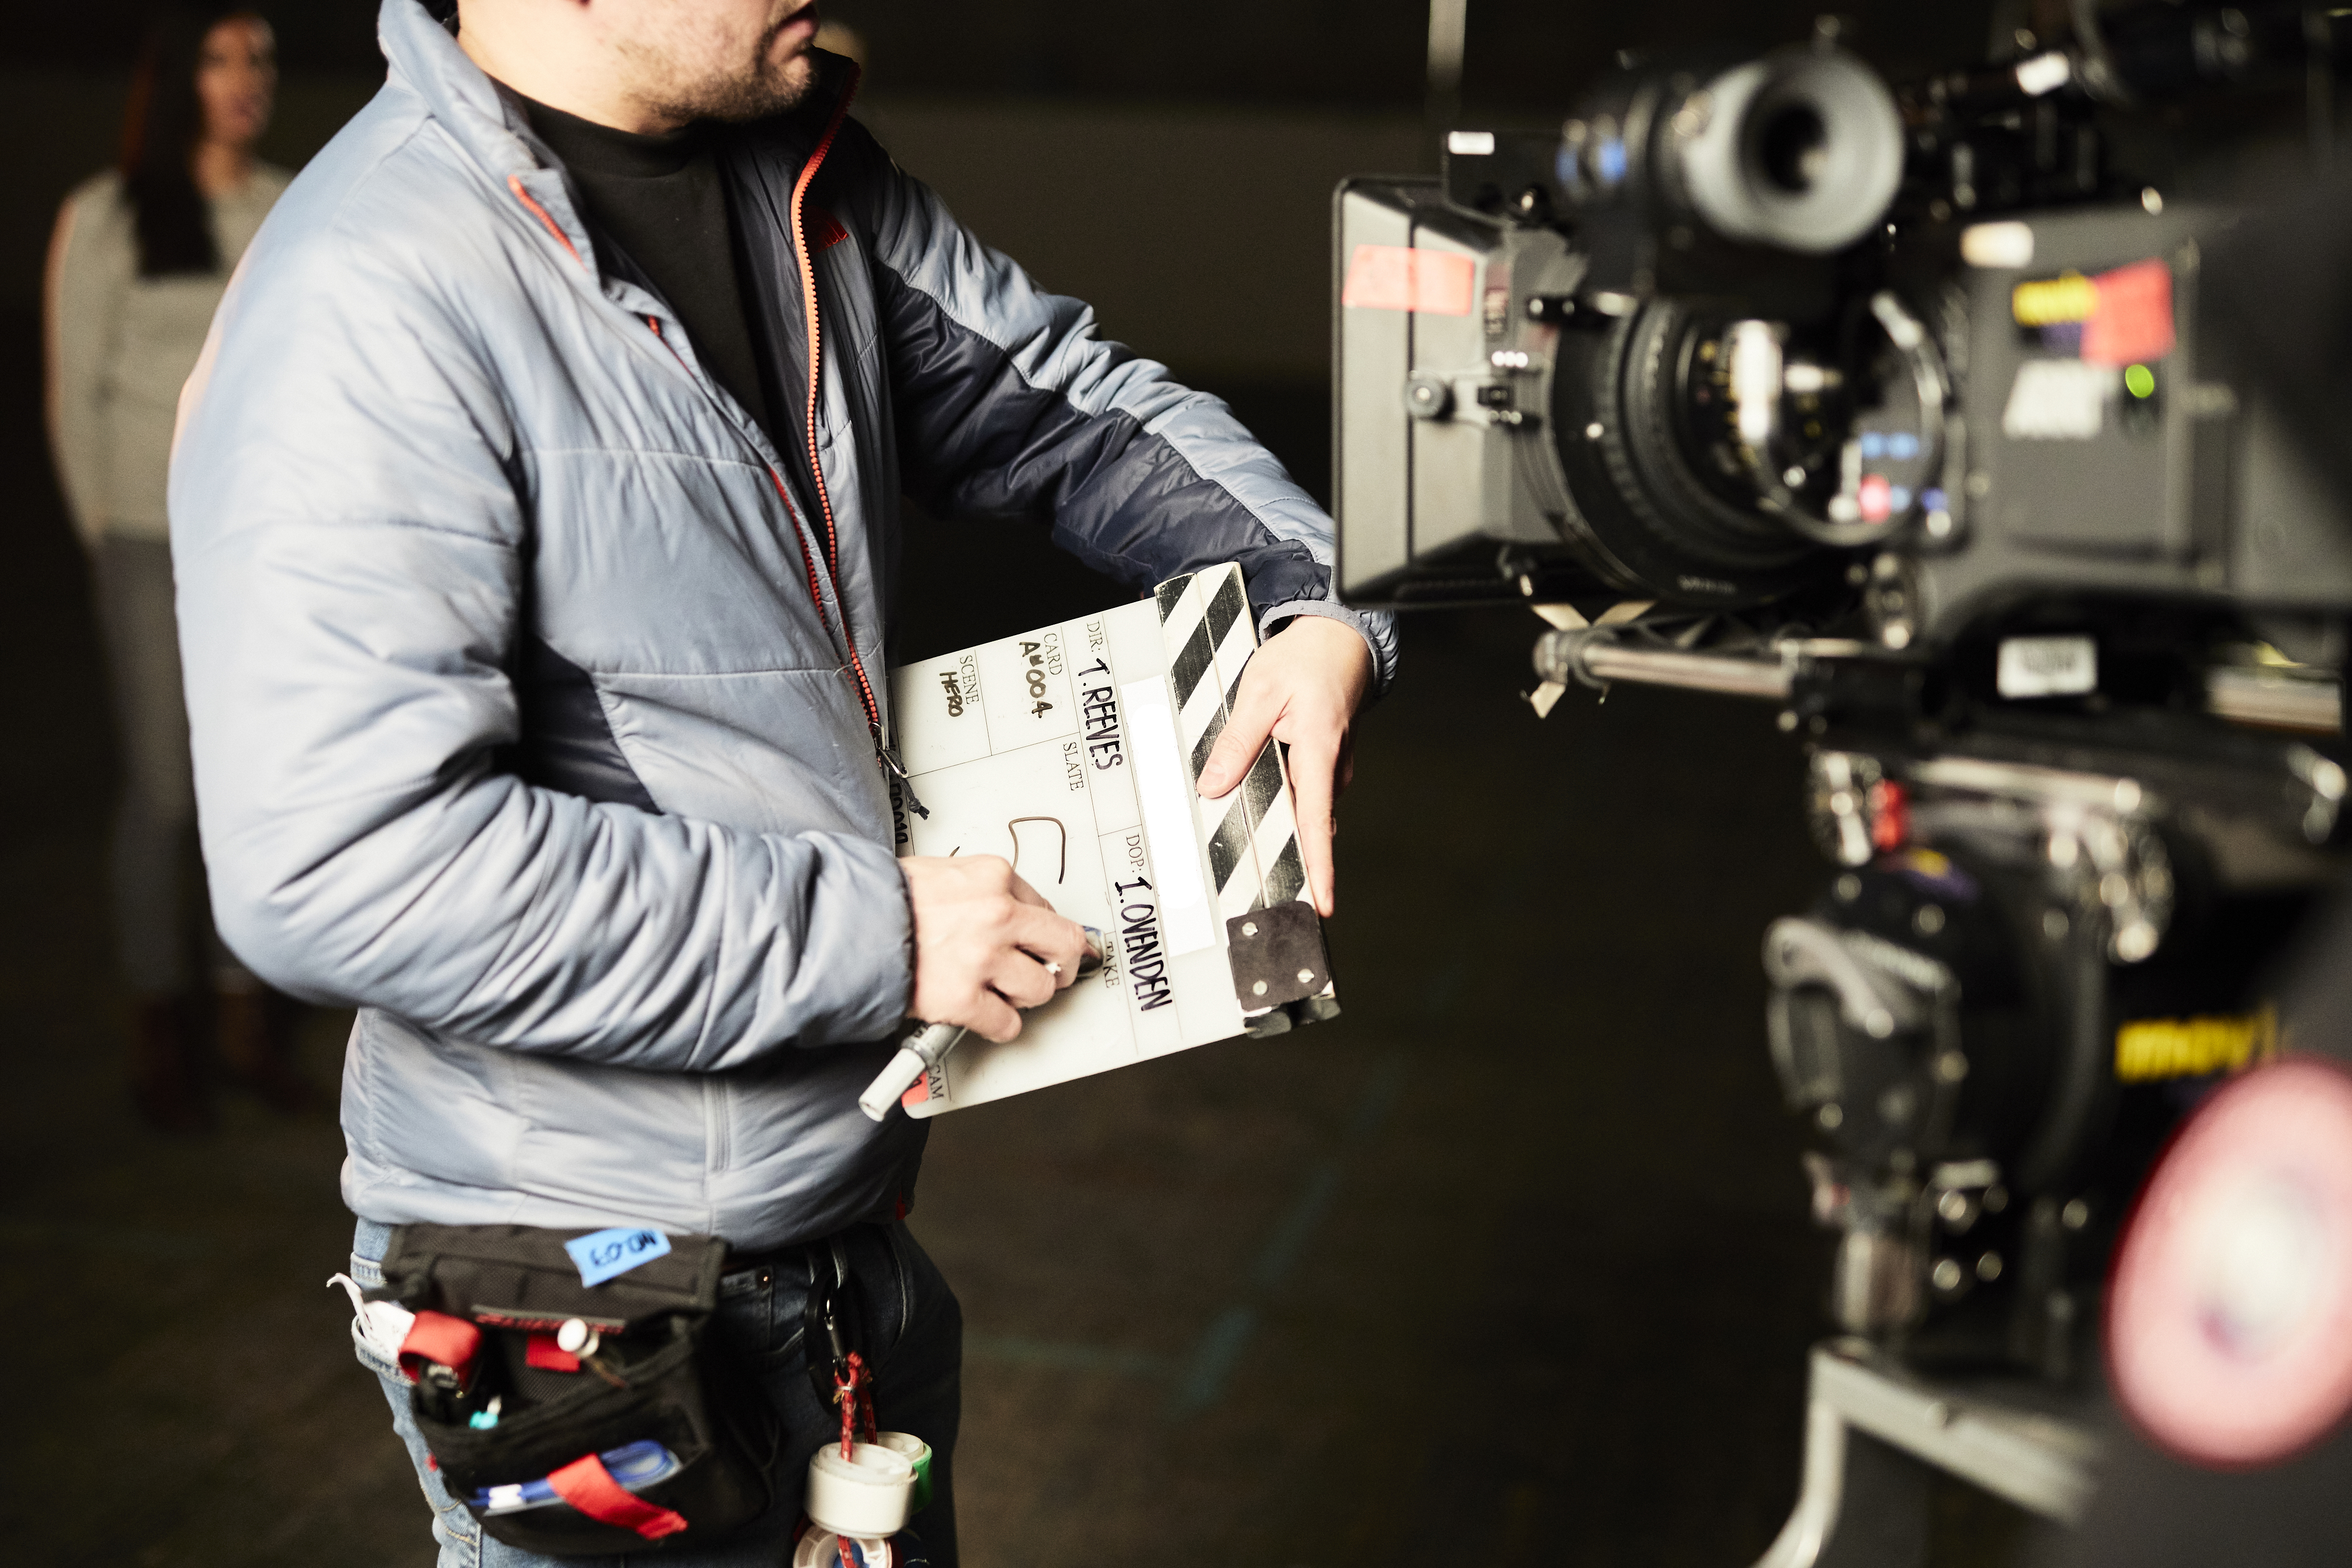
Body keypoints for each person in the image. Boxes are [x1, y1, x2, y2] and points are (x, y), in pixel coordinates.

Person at [169, 1, 1393, 1563]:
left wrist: (1307, 600)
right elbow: (340, 866)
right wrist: (876, 941)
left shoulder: (801, 185)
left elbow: (1068, 412)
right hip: (594, 1317)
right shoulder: (373, 289)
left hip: (838, 1263)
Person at [44, 4, 307, 1132]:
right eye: (219, 58)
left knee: (260, 779)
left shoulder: (288, 206)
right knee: (167, 784)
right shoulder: (106, 217)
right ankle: (165, 1020)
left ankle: (250, 1017)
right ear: (175, 78)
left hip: (266, 545)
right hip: (150, 541)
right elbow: (71, 389)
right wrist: (106, 533)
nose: (245, 81)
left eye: (260, 59)